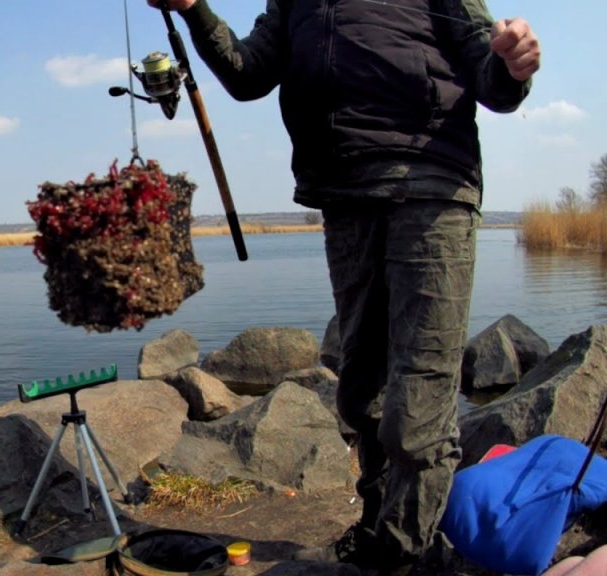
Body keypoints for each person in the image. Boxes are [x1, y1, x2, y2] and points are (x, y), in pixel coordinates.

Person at [144, 1, 540, 575]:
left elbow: (492, 80)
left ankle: (406, 555)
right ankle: (380, 530)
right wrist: (194, 10)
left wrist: (513, 63)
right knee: (362, 392)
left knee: (419, 405)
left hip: (430, 191)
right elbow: (247, 74)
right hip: (344, 196)